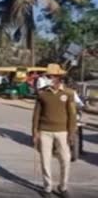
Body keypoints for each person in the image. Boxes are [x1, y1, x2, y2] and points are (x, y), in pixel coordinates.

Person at [32, 63, 77, 198]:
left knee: (66, 159)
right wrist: (35, 132)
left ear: (58, 77)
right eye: (48, 76)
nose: (49, 78)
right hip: (44, 131)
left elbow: (72, 115)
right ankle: (47, 187)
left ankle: (62, 187)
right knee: (45, 160)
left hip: (62, 132)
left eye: (52, 76)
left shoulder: (69, 93)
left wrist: (71, 133)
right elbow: (36, 114)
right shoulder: (42, 94)